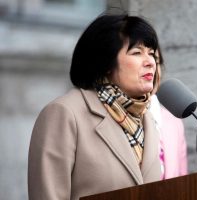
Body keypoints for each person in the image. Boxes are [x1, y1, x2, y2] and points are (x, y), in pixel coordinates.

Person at [28, 14, 163, 200]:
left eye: (152, 53)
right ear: (106, 62)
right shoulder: (65, 114)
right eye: (137, 53)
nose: (150, 62)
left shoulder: (147, 119)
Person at [149, 49, 188, 179]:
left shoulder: (173, 120)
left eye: (157, 61)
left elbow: (182, 177)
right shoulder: (118, 118)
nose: (152, 67)